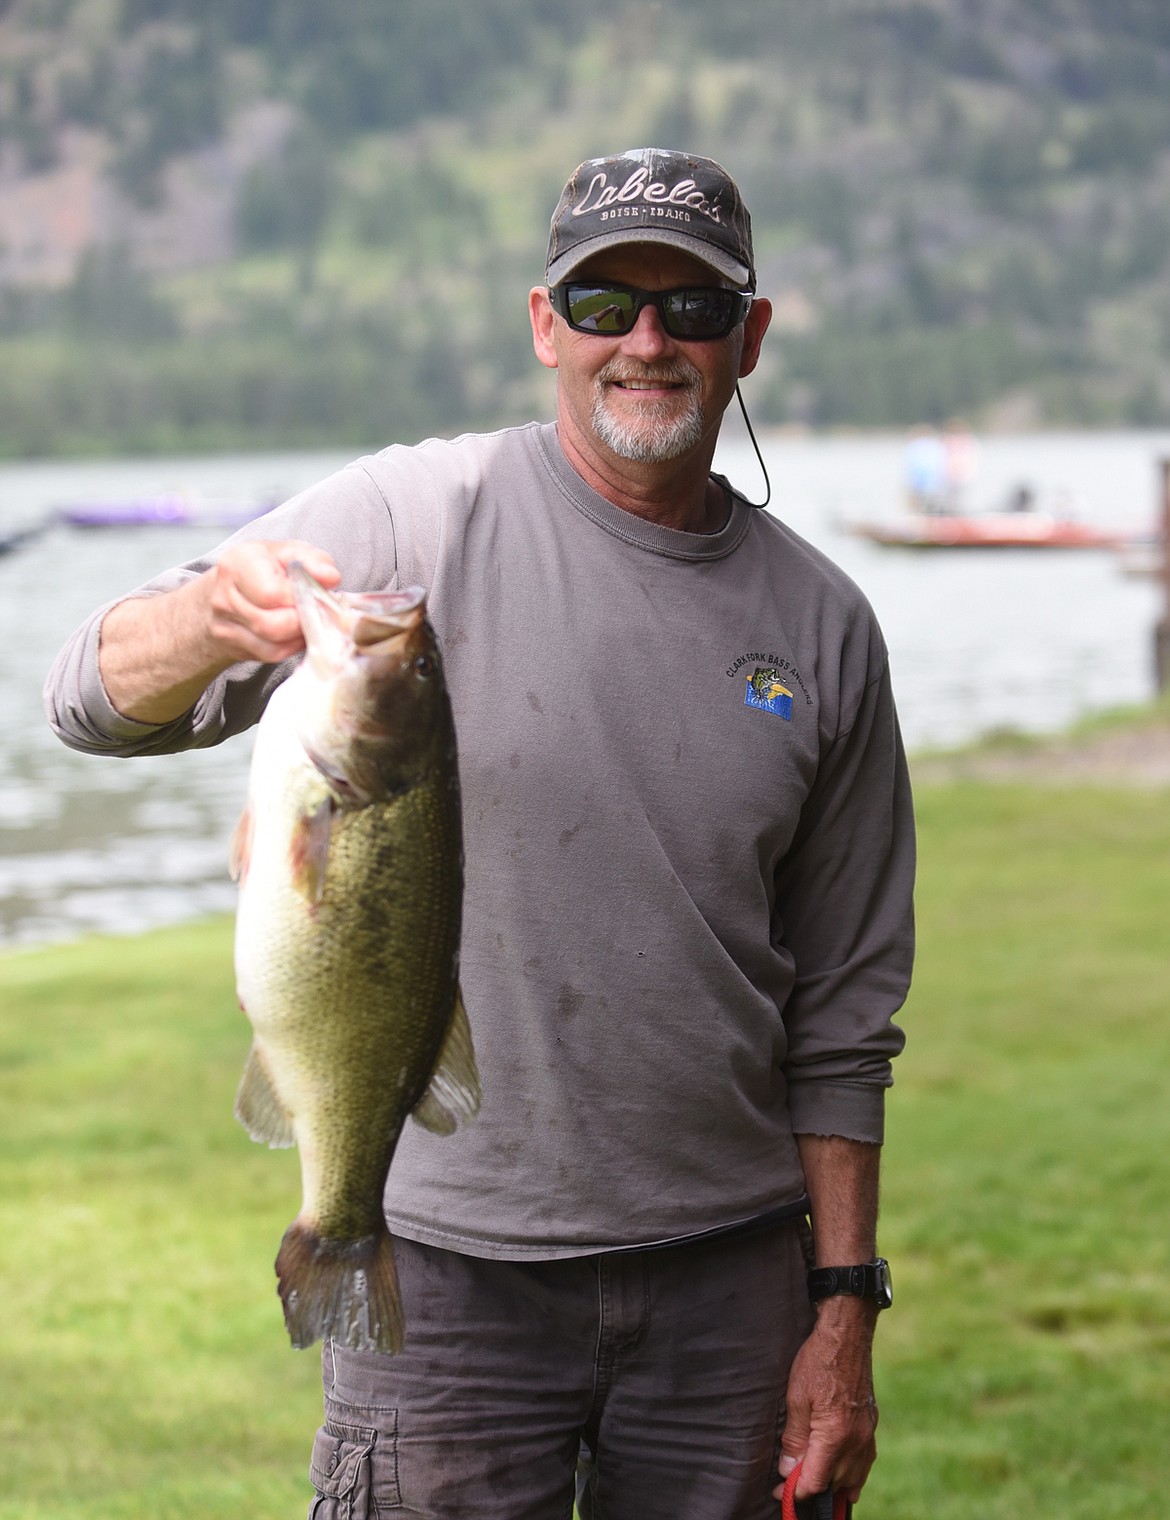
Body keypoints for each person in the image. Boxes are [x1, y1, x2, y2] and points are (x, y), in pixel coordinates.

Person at [46, 147, 914, 1520]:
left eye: (689, 309)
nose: (643, 340)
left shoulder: (822, 628)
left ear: (746, 340)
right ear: (540, 325)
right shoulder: (402, 516)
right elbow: (90, 699)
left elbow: (846, 1016)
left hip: (732, 1292)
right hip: (443, 1279)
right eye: (603, 301)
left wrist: (841, 1305)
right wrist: (217, 616)